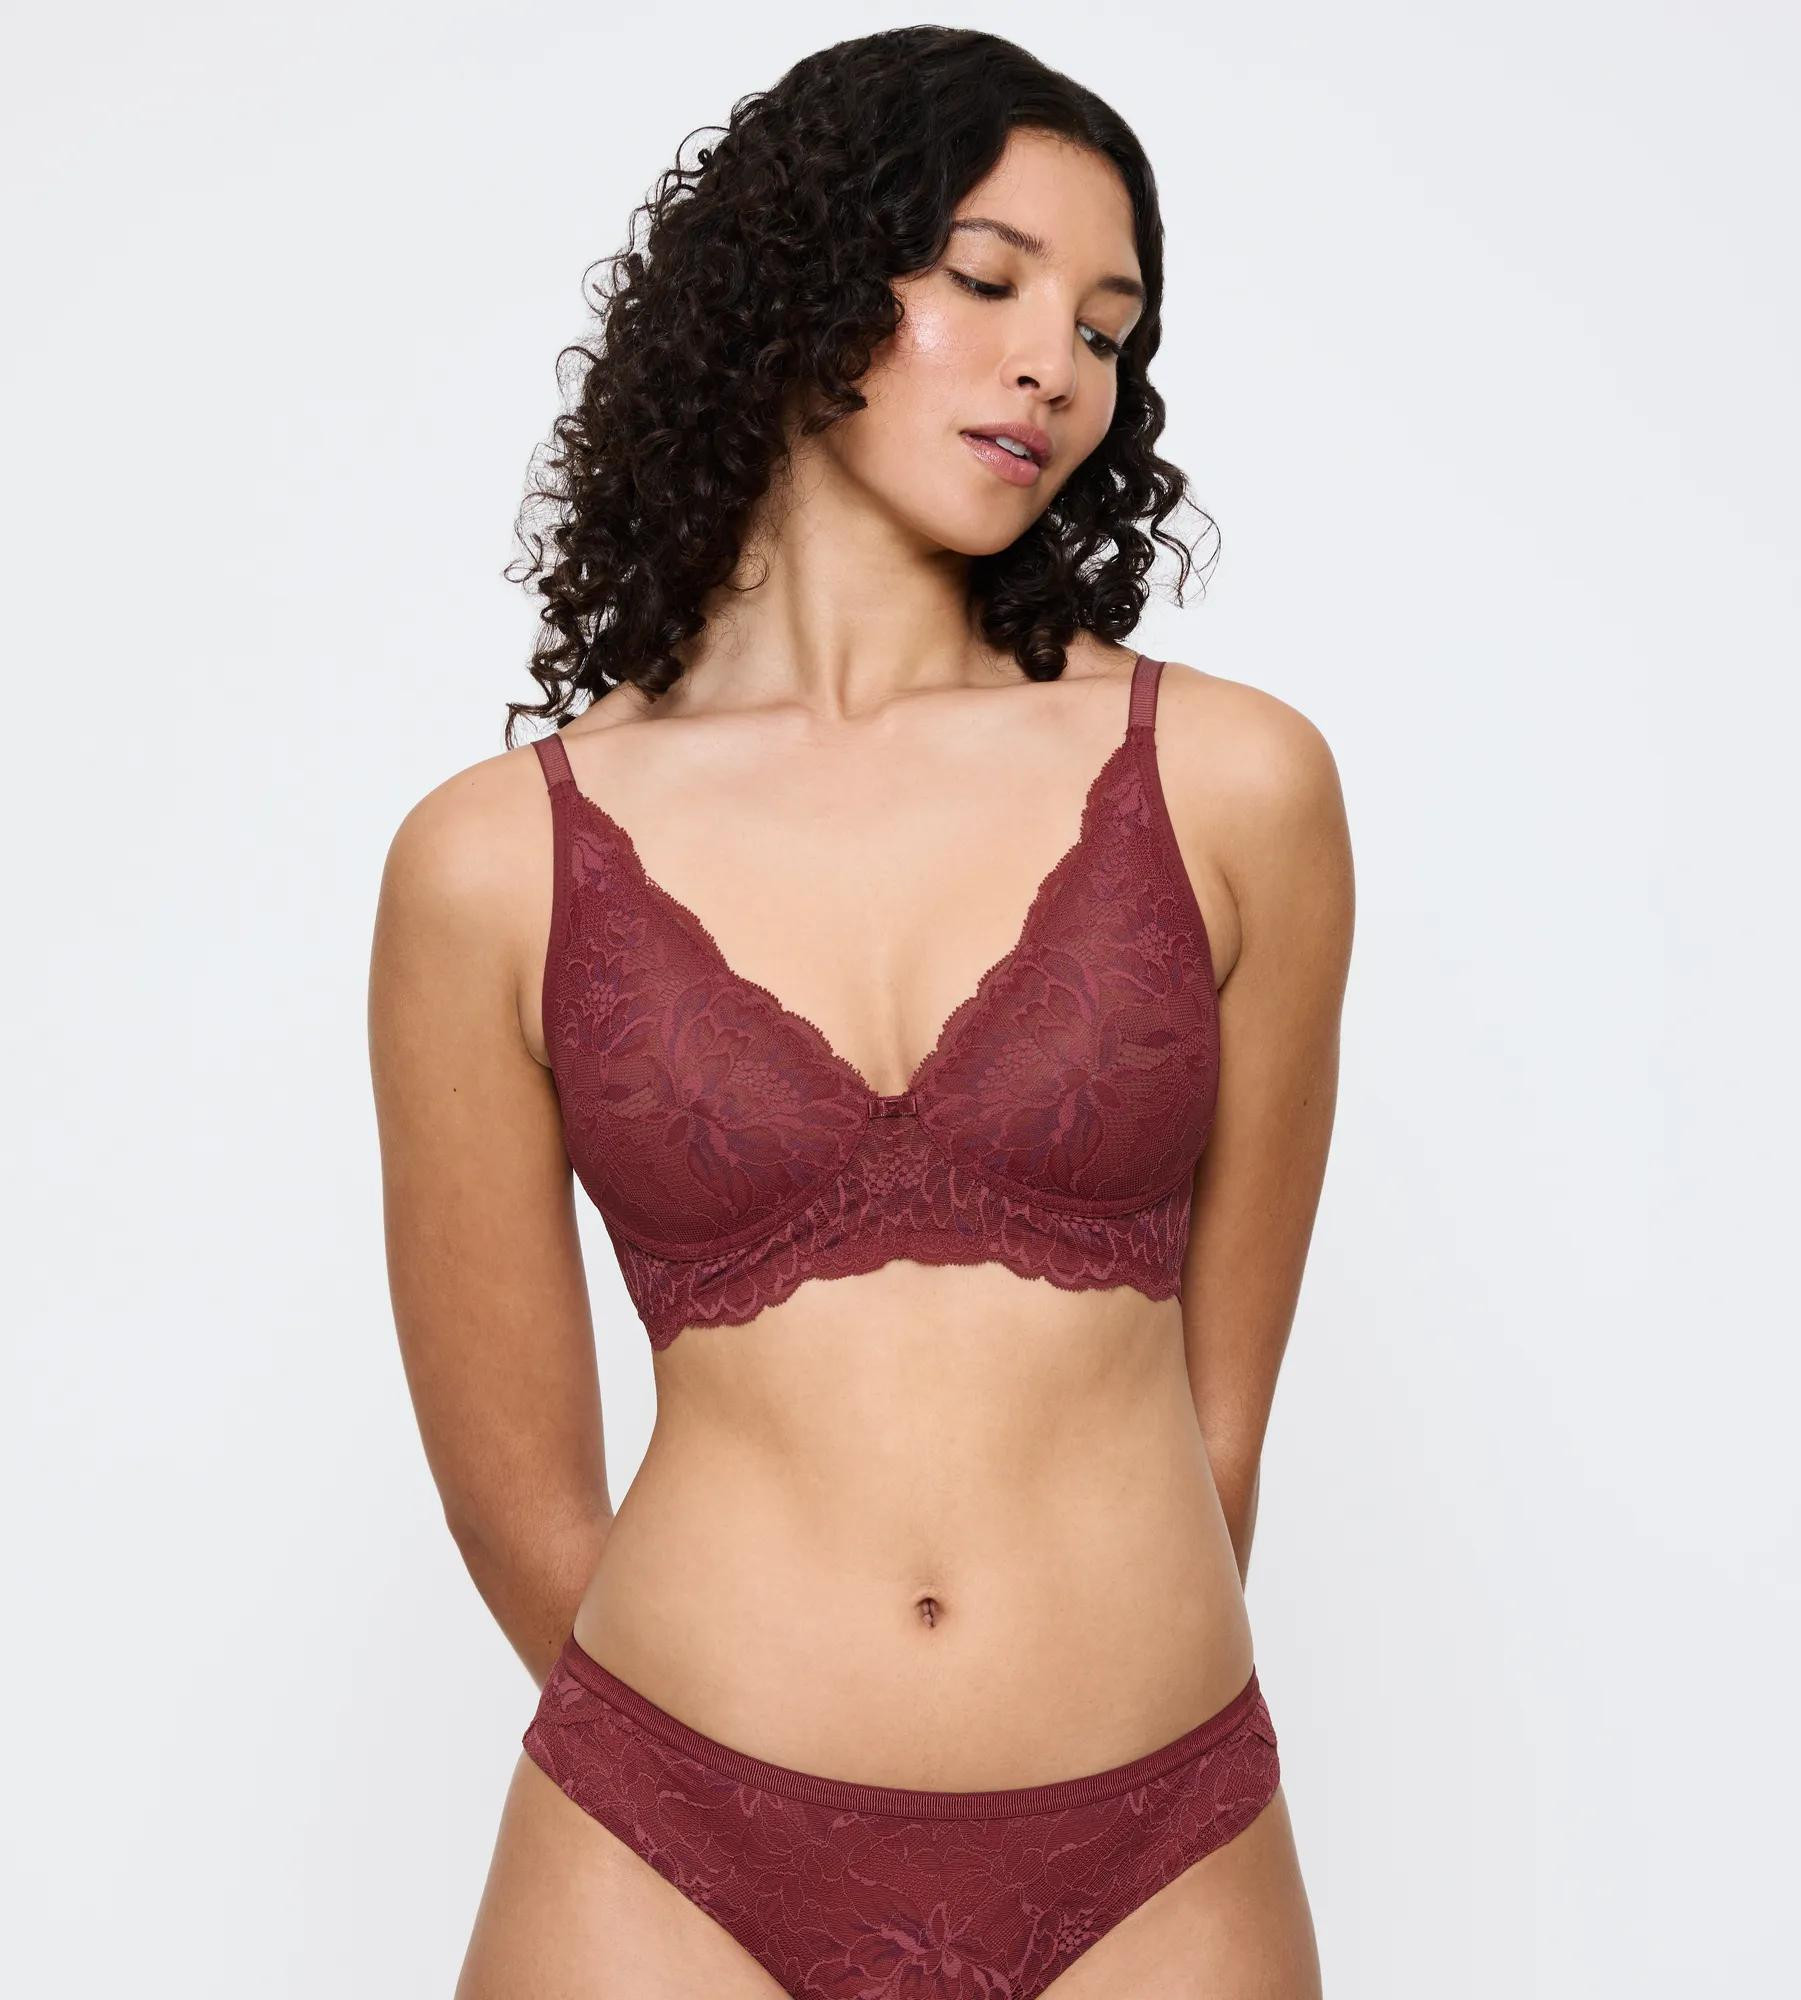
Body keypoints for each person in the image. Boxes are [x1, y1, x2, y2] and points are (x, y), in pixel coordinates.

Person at [369, 26, 1352, 1998]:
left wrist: (1071, 1698)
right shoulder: (493, 861)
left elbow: (1222, 1420)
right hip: (668, 1851)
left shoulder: (1233, 785)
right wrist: (728, 1775)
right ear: (802, 291)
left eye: (1103, 328)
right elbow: (513, 1494)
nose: (1051, 364)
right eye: (986, 281)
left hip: (1150, 1841)